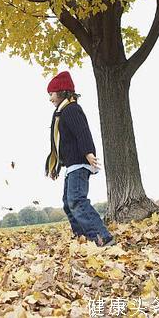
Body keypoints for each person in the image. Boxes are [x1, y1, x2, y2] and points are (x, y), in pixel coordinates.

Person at [45, 71, 115, 246]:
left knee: (77, 200)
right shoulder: (61, 113)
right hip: (71, 165)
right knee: (68, 204)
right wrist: (57, 166)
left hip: (80, 163)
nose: (50, 98)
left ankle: (101, 237)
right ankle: (82, 236)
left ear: (61, 92)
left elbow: (82, 132)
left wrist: (89, 152)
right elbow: (63, 145)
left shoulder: (71, 110)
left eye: (51, 94)